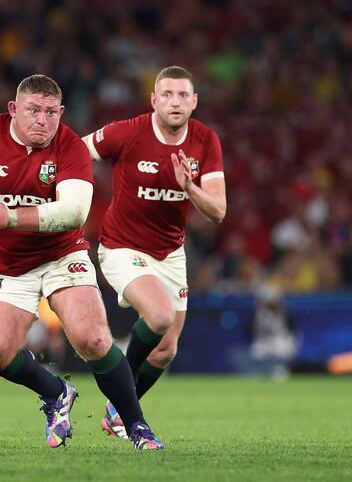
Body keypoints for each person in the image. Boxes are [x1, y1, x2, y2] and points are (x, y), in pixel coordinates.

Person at [0, 74, 164, 450]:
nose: (42, 120)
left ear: (61, 113)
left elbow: (74, 212)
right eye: (33, 110)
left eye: (50, 112)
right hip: (3, 263)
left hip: (61, 255)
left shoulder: (70, 147)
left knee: (93, 339)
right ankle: (56, 392)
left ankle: (137, 426)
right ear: (13, 110)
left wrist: (9, 217)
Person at [82, 66, 226, 438]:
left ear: (194, 102)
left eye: (182, 95)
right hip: (121, 246)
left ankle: (116, 409)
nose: (175, 102)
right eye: (167, 95)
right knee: (160, 315)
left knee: (165, 351)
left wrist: (190, 188)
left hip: (170, 253)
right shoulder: (127, 132)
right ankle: (127, 409)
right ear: (154, 100)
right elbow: (75, 153)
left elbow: (219, 211)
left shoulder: (205, 141)